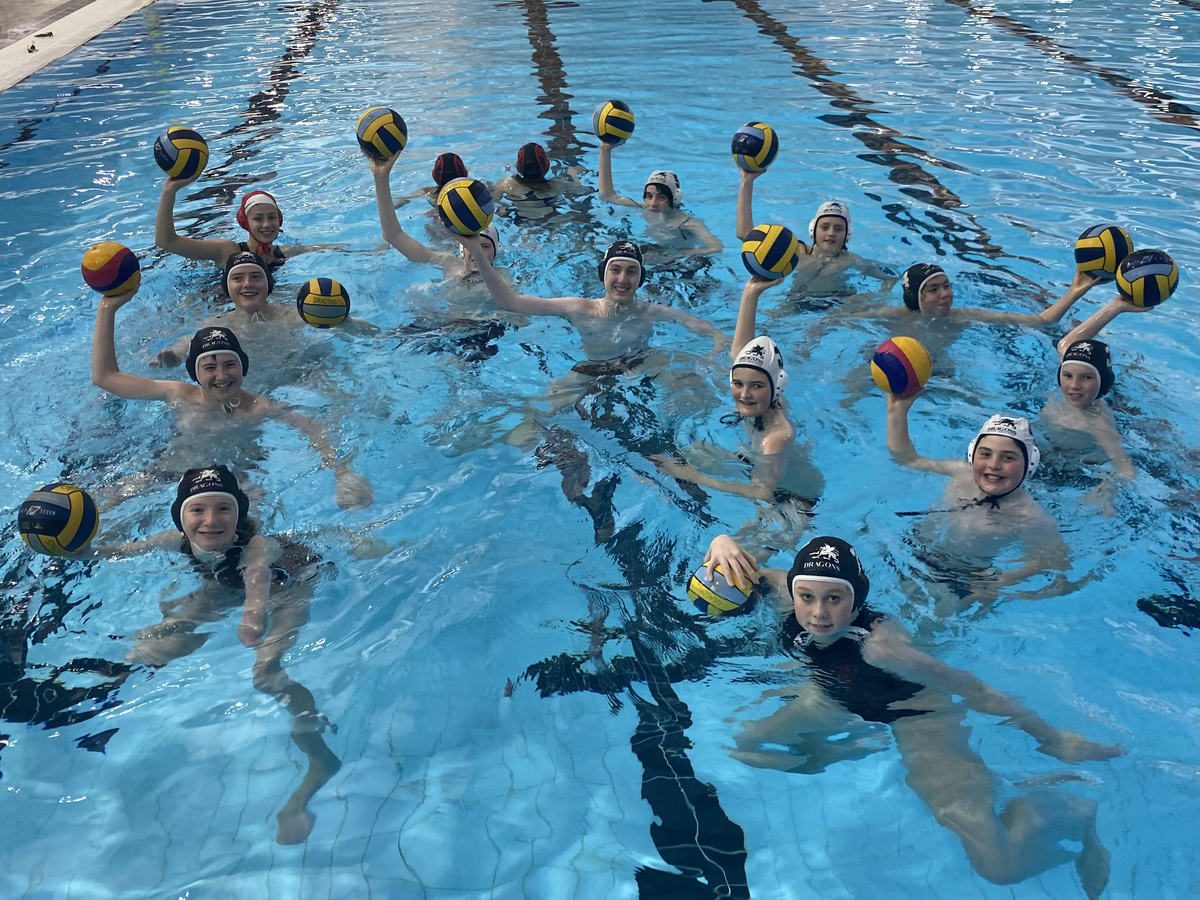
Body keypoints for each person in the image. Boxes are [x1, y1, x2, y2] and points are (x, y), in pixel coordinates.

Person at [703, 532, 1119, 897]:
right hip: (835, 698)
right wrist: (721, 540)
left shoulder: (883, 647)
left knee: (999, 866)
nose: (818, 613)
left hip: (915, 714)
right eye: (807, 597)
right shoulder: (788, 592)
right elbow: (750, 565)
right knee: (749, 749)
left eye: (835, 598)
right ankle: (837, 752)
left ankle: (1073, 813)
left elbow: (972, 687)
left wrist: (1048, 736)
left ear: (857, 598)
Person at [76, 466, 341, 844]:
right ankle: (103, 701)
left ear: (238, 514)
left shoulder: (257, 547)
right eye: (197, 510)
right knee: (149, 646)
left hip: (291, 584)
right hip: (224, 586)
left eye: (223, 509)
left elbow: (257, 583)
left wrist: (251, 623)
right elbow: (118, 552)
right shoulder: (174, 540)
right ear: (181, 517)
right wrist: (80, 552)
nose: (210, 520)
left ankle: (320, 760)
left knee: (266, 673)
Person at [91, 284, 372, 509]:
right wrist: (108, 308)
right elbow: (106, 378)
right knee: (101, 507)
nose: (222, 375)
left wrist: (343, 473)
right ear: (195, 373)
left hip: (236, 483)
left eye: (230, 365)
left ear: (243, 367)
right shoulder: (177, 393)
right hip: (167, 471)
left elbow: (314, 428)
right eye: (210, 367)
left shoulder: (259, 406)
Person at [650, 275, 821, 510]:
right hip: (752, 461)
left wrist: (694, 476)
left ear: (776, 387)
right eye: (738, 383)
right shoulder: (767, 400)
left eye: (756, 386)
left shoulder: (775, 438)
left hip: (791, 497)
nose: (745, 394)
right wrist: (750, 293)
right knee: (674, 458)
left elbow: (761, 491)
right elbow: (739, 353)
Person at [884, 397, 1069, 613]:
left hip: (961, 578)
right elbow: (907, 459)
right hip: (914, 549)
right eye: (986, 454)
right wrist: (896, 411)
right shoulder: (960, 473)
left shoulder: (1030, 516)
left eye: (1008, 458)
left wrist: (1001, 581)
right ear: (973, 455)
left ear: (1029, 465)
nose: (994, 465)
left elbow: (1055, 560)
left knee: (930, 624)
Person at [1038, 294, 1152, 483]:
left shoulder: (1099, 423)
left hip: (1070, 470)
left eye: (1087, 377)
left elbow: (1127, 471)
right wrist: (1115, 307)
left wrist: (1107, 490)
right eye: (1068, 376)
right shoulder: (1064, 387)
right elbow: (1065, 344)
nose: (1074, 385)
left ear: (1102, 383)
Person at [735, 170, 894, 296]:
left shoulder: (852, 261)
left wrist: (874, 298)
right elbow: (746, 235)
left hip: (837, 302)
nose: (831, 233)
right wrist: (746, 182)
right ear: (813, 229)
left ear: (848, 234)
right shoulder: (797, 252)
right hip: (797, 299)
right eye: (825, 227)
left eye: (839, 229)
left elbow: (891, 278)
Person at [156, 175, 310, 271]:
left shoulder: (284, 253)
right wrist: (169, 191)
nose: (266, 224)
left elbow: (328, 248)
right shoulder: (227, 251)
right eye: (257, 218)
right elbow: (166, 242)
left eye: (272, 217)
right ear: (245, 222)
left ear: (280, 220)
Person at [598, 142, 722, 260]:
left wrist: (681, 255)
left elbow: (716, 247)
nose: (653, 203)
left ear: (674, 199)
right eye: (649, 196)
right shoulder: (645, 208)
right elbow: (607, 196)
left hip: (678, 263)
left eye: (661, 197)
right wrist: (605, 150)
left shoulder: (686, 223)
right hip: (656, 253)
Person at [491, 141, 587, 222]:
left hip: (520, 221)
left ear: (519, 167)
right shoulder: (557, 185)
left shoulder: (506, 184)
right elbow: (581, 190)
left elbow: (491, 203)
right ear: (546, 166)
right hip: (550, 221)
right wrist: (573, 175)